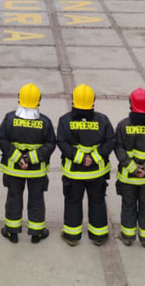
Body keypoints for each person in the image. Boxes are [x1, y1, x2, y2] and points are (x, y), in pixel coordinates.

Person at [0, 83, 56, 244]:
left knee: (13, 198)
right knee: (36, 199)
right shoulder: (45, 122)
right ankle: (36, 233)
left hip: (14, 170)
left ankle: (11, 232)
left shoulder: (10, 118)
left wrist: (18, 158)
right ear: (39, 100)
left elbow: (1, 138)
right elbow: (50, 144)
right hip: (36, 172)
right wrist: (31, 159)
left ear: (19, 99)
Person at [57, 84, 115, 247]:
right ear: (93, 101)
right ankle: (99, 236)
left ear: (73, 100)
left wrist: (80, 158)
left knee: (73, 201)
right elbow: (110, 140)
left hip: (73, 173)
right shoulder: (102, 120)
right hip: (96, 173)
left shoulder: (64, 120)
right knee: (97, 201)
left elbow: (61, 142)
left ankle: (72, 236)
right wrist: (94, 157)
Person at [114, 88, 145, 247]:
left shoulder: (123, 126)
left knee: (128, 206)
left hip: (128, 177)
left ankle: (128, 237)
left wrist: (132, 168)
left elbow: (118, 148)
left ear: (131, 105)